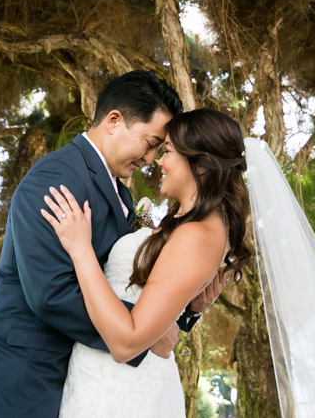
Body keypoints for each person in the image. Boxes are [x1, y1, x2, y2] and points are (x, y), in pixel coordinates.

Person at [0, 70, 220, 418]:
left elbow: (127, 286)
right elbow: (50, 293)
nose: (149, 159)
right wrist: (140, 337)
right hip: (14, 379)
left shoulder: (123, 197)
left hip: (71, 381)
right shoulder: (57, 178)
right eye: (150, 143)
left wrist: (183, 313)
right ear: (114, 121)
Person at [41, 108, 252, 416]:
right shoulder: (188, 225)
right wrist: (187, 315)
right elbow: (153, 304)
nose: (158, 162)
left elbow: (127, 343)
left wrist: (80, 248)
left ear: (202, 166)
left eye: (168, 152)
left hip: (124, 394)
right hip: (103, 382)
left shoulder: (200, 234)